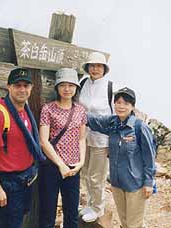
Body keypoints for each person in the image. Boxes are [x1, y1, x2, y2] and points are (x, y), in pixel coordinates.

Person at [0, 68, 46, 228]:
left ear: (31, 88)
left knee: (18, 220)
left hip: (26, 179)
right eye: (17, 85)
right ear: (8, 86)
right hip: (8, 183)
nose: (22, 89)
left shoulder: (25, 110)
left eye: (26, 85)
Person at [87, 87, 156, 228]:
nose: (121, 106)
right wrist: (72, 109)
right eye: (118, 102)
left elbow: (149, 157)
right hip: (117, 183)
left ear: (132, 106)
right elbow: (94, 121)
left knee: (134, 224)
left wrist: (148, 182)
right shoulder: (112, 123)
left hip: (135, 184)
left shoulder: (140, 127)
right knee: (124, 222)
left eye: (126, 103)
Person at [39, 68, 87, 228]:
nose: (67, 89)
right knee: (48, 212)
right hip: (52, 166)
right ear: (57, 87)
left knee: (72, 213)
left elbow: (81, 138)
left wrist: (81, 162)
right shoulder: (48, 109)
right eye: (63, 85)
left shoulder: (80, 110)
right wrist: (60, 165)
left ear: (76, 88)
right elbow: (43, 141)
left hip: (73, 168)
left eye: (71, 85)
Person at [78, 52, 113, 222]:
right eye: (92, 65)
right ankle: (90, 204)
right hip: (83, 137)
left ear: (104, 69)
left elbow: (115, 115)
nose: (95, 69)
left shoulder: (110, 88)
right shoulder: (83, 83)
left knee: (97, 176)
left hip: (102, 139)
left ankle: (98, 208)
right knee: (85, 173)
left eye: (99, 66)